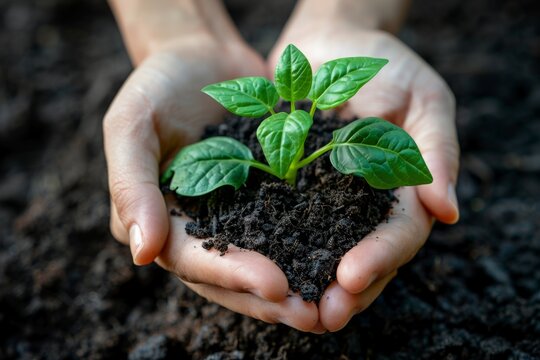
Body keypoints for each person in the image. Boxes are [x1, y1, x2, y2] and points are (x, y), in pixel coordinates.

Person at [104, 0, 459, 333]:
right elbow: (281, 142)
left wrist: (345, 15)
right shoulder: (278, 125)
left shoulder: (302, 125)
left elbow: (294, 139)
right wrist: (179, 38)